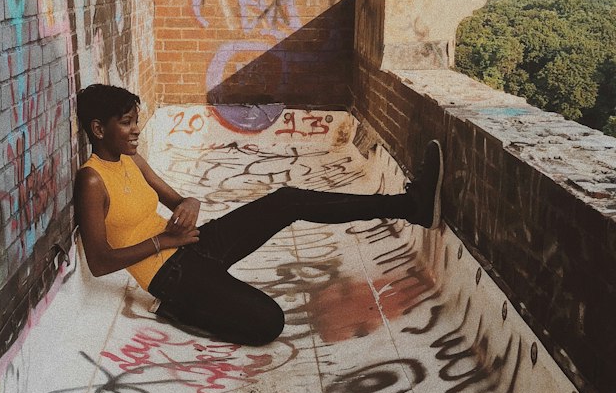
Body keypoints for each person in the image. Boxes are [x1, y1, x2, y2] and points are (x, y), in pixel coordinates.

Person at [73, 84, 443, 347]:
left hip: (195, 242)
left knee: (286, 200)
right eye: (125, 122)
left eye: (136, 120)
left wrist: (191, 204)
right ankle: (177, 311)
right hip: (171, 277)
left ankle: (409, 206)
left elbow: (177, 199)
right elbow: (100, 262)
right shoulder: (91, 180)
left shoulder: (131, 158)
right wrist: (163, 242)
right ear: (99, 129)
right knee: (269, 323)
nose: (136, 129)